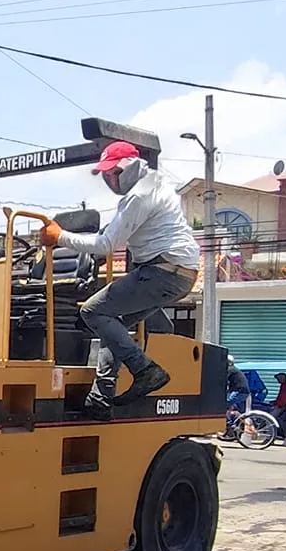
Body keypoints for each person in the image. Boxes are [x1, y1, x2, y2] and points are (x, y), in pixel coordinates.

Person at [40, 140, 201, 411]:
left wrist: (60, 237)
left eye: (112, 173)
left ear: (128, 168)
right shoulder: (157, 183)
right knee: (113, 326)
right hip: (180, 274)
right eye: (104, 174)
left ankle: (145, 369)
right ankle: (101, 399)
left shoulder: (138, 196)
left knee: (92, 312)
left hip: (161, 271)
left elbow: (106, 245)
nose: (107, 179)